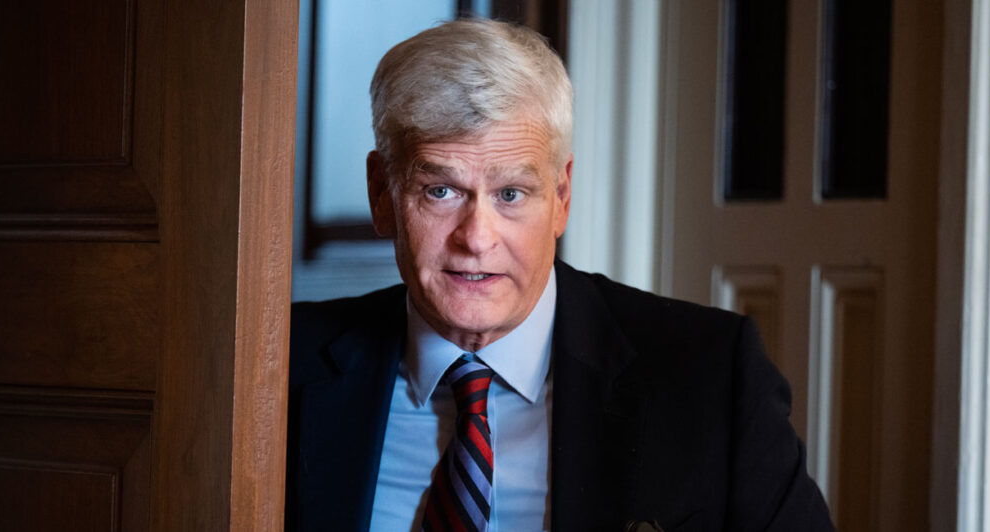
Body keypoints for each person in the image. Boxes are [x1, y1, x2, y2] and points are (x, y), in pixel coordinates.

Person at [287, 18, 832, 532]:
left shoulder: (711, 377)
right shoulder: (282, 364)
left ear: (561, 197)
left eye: (510, 194)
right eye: (441, 191)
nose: (476, 237)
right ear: (382, 194)